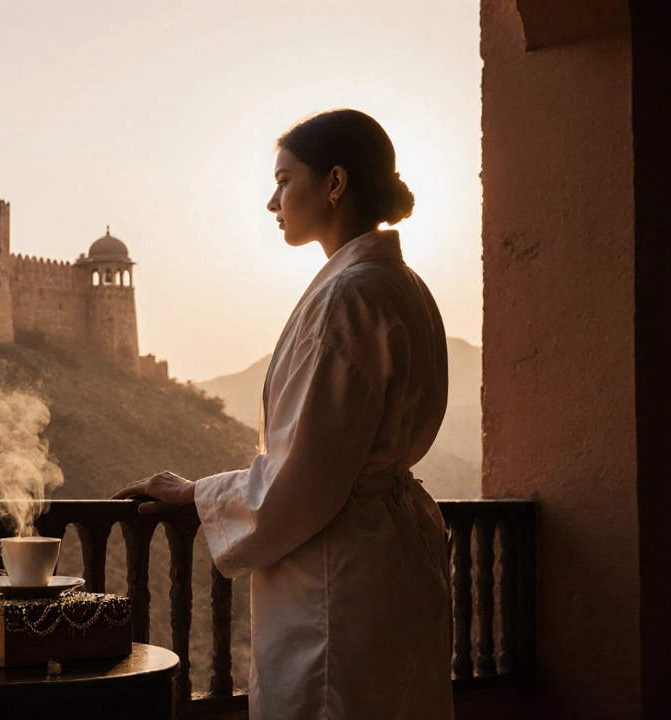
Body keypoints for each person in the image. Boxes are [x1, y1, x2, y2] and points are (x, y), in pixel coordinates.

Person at [113, 109, 454, 720]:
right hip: (396, 565)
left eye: (284, 179)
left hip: (339, 583)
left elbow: (301, 480)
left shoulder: (348, 297)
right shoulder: (404, 285)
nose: (273, 201)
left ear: (334, 183)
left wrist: (197, 494)